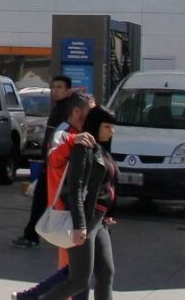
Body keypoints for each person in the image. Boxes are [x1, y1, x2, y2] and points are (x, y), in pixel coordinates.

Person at [14, 105, 118, 300]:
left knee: (105, 274)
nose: (111, 131)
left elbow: (107, 186)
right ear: (96, 124)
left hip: (99, 221)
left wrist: (110, 212)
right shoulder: (84, 148)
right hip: (85, 220)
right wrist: (80, 226)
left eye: (113, 127)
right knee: (79, 280)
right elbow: (74, 190)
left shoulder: (102, 149)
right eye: (107, 127)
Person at [13, 75, 78, 248]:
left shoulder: (67, 110)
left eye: (59, 87)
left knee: (48, 200)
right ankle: (33, 234)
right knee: (43, 200)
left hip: (57, 165)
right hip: (50, 163)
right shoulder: (58, 108)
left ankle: (34, 236)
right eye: (53, 87)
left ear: (68, 90)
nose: (55, 91)